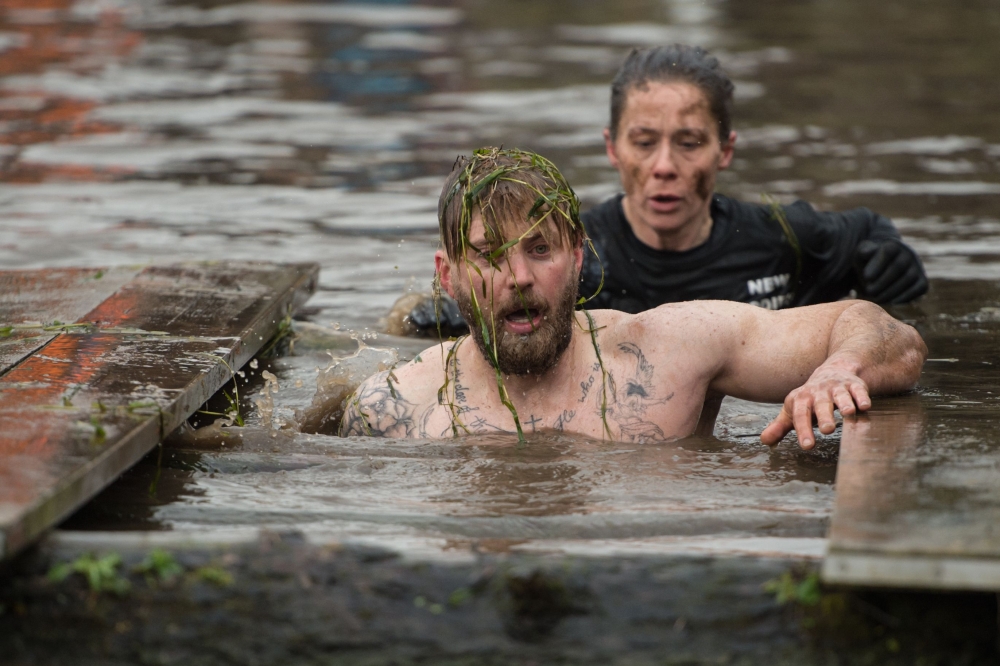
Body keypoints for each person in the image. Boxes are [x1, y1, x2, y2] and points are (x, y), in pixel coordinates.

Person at [341, 148, 926, 447]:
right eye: (489, 256)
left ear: (576, 255)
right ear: (448, 277)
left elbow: (884, 331)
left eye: (538, 250)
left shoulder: (673, 348)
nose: (517, 276)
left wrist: (838, 368)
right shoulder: (392, 408)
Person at [580, 44, 928, 312]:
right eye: (644, 143)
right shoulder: (574, 255)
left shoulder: (783, 240)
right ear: (612, 148)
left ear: (725, 151)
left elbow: (868, 230)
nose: (664, 166)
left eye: (689, 143)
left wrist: (893, 264)